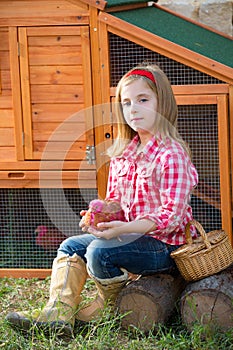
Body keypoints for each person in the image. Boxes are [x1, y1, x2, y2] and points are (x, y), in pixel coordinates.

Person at [6, 64, 198, 339]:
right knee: (71, 245)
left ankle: (105, 310)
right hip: (130, 237)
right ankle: (57, 315)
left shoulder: (171, 154)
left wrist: (121, 230)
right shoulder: (124, 154)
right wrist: (102, 214)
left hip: (164, 246)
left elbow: (172, 217)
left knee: (99, 251)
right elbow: (117, 201)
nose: (134, 109)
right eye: (126, 103)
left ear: (162, 103)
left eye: (143, 100)